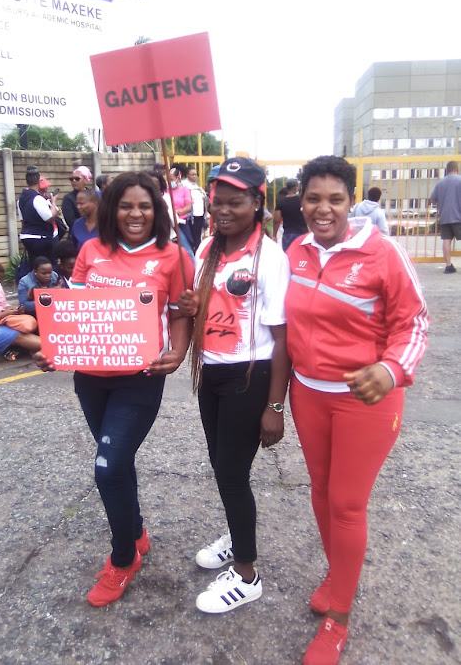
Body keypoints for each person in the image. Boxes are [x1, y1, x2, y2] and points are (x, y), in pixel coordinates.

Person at [284, 156, 429, 664]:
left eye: (335, 199)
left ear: (352, 201)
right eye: (313, 198)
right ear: (300, 200)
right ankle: (336, 574)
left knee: (347, 503)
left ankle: (339, 617)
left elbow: (415, 324)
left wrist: (390, 370)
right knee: (321, 493)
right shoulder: (295, 250)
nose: (323, 209)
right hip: (308, 394)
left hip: (365, 398)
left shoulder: (383, 252)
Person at [35, 171, 194, 608]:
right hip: (90, 378)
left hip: (140, 379)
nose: (135, 213)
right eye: (126, 205)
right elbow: (76, 313)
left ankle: (123, 560)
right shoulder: (91, 250)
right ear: (111, 208)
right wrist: (54, 349)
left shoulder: (174, 256)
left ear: (157, 210)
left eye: (144, 205)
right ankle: (136, 531)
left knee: (107, 468)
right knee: (118, 462)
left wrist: (178, 352)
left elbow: (182, 312)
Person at [178, 157, 291, 615]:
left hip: (252, 372)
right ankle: (236, 535)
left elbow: (282, 339)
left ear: (257, 203)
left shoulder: (271, 257)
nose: (223, 209)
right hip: (213, 372)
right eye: (217, 201)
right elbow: (199, 308)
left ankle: (246, 574)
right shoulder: (207, 248)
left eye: (235, 202)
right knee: (222, 465)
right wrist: (192, 303)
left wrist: (275, 407)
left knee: (229, 471)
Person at [17, 166, 59, 264]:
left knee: (35, 266)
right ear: (38, 181)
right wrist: (53, 202)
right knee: (47, 265)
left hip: (26, 237)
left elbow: (23, 220)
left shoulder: (21, 199)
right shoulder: (37, 198)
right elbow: (49, 217)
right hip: (39, 238)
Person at [430, 160, 461, 273]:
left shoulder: (440, 183)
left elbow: (432, 199)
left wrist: (442, 202)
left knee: (446, 241)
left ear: (447, 170)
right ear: (456, 169)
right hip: (459, 217)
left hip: (444, 217)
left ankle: (448, 266)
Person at [272, 178, 308, 251]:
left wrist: (274, 235)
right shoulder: (302, 200)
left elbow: (276, 220)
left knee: (288, 258)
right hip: (303, 233)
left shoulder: (281, 202)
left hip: (288, 234)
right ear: (295, 188)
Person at [169, 167, 195, 259]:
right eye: (167, 179)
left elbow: (188, 207)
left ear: (178, 178)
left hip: (181, 222)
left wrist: (177, 212)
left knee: (186, 248)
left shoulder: (185, 190)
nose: (169, 182)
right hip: (169, 223)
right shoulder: (166, 191)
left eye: (171, 179)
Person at [185, 167, 208, 250]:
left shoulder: (197, 186)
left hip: (200, 215)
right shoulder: (185, 186)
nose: (194, 176)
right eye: (192, 174)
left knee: (198, 236)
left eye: (195, 174)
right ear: (187, 175)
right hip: (191, 217)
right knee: (193, 237)